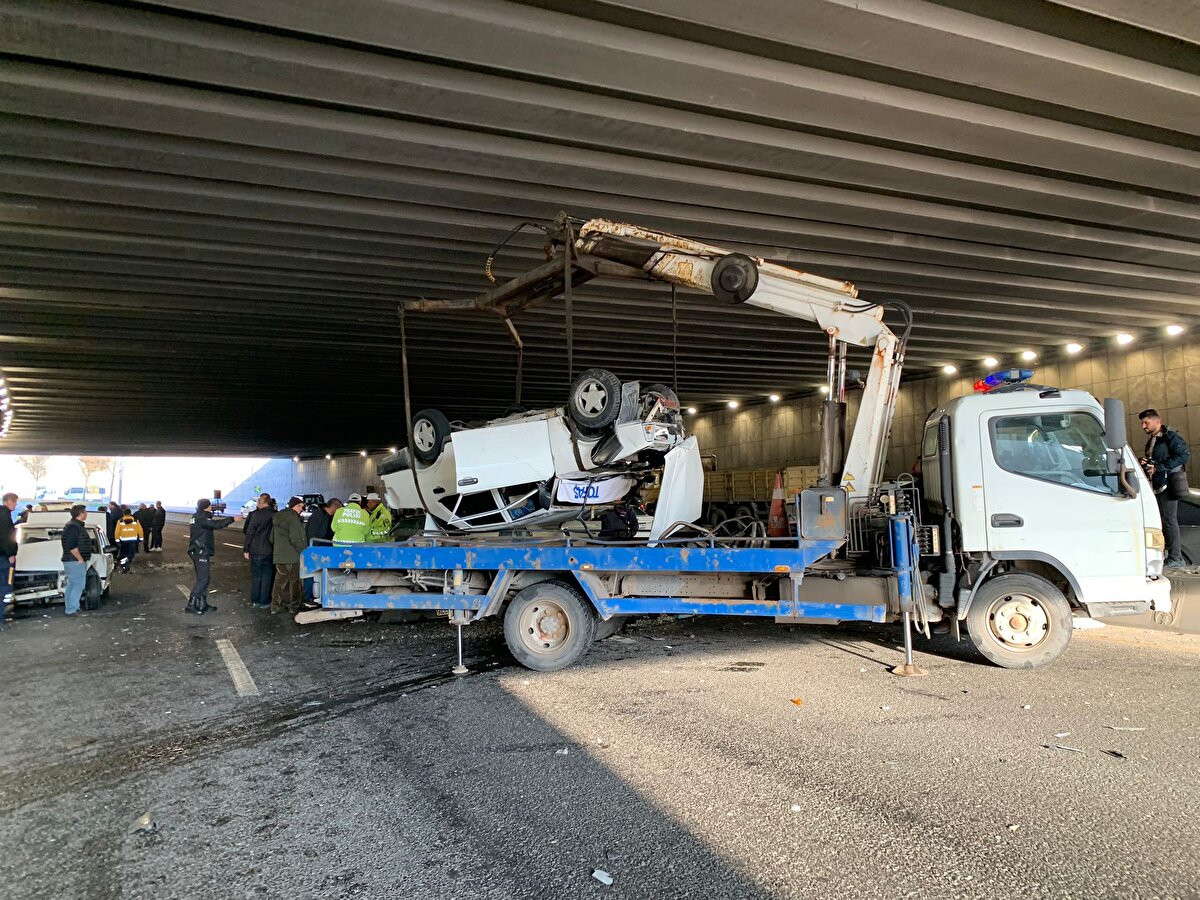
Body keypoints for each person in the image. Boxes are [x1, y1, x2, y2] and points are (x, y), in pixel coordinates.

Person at [1140, 408, 1191, 568]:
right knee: (1163, 520)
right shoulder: (1153, 440)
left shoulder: (1170, 437)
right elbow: (1156, 460)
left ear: (1157, 421)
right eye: (1142, 423)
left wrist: (1160, 467)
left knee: (1169, 520)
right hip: (1157, 484)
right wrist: (1147, 462)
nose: (1143, 426)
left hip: (1168, 485)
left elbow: (1184, 455)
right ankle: (1169, 554)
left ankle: (1176, 557)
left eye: (1146, 422)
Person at [185, 498, 235, 614]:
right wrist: (232, 519)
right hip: (200, 551)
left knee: (204, 578)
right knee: (203, 579)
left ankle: (202, 604)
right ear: (206, 506)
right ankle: (191, 604)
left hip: (197, 550)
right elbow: (216, 524)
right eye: (210, 505)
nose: (212, 507)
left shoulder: (196, 516)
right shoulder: (202, 517)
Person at [271, 495, 307, 615]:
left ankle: (275, 606)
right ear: (295, 506)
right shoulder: (293, 518)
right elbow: (296, 538)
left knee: (279, 582)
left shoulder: (278, 517)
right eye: (300, 507)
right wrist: (304, 551)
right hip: (293, 557)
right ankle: (294, 606)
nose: (302, 509)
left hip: (279, 556)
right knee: (294, 582)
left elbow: (271, 538)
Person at [303, 498, 342, 599]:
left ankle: (318, 595)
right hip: (317, 549)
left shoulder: (325, 516)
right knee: (312, 573)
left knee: (322, 574)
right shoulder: (317, 516)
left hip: (325, 549)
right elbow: (311, 534)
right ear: (335, 509)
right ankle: (309, 597)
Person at [242, 493, 275, 609]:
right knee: (267, 576)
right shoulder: (275, 515)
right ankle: (265, 601)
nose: (257, 504)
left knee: (256, 576)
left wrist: (246, 548)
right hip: (270, 550)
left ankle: (255, 600)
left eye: (258, 502)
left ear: (262, 502)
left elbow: (249, 531)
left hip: (255, 550)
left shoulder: (255, 515)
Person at [60, 504, 93, 617]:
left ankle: (71, 607)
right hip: (74, 560)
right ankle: (72, 609)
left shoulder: (74, 525)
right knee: (78, 585)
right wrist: (80, 559)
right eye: (85, 511)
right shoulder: (73, 527)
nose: (87, 513)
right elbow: (72, 546)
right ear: (81, 514)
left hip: (71, 560)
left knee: (72, 585)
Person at [0, 492, 18, 625]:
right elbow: (7, 538)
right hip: (4, 558)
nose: (15, 505)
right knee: (5, 585)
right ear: (7, 501)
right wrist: (11, 554)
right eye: (14, 502)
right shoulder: (5, 517)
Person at [113, 506, 143, 573]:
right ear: (130, 513)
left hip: (123, 540)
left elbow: (117, 531)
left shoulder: (120, 521)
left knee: (123, 553)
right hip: (133, 540)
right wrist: (141, 539)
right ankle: (128, 561)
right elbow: (140, 530)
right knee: (131, 552)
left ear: (123, 513)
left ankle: (124, 565)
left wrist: (117, 540)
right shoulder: (135, 520)